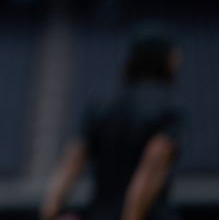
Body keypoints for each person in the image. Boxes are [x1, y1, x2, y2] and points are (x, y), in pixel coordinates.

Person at [40, 24, 185, 220]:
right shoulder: (168, 107)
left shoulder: (101, 106)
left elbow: (72, 161)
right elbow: (152, 166)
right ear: (164, 60)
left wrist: (51, 211)